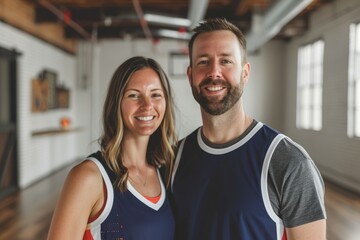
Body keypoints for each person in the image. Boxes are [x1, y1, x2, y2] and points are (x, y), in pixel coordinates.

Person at [171, 18, 326, 240]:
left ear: (245, 73)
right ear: (190, 76)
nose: (214, 72)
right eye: (203, 62)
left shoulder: (289, 161)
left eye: (225, 61)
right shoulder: (175, 158)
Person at [47, 56, 177, 240]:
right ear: (117, 103)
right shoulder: (88, 177)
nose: (147, 105)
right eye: (134, 95)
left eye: (156, 95)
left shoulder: (167, 171)